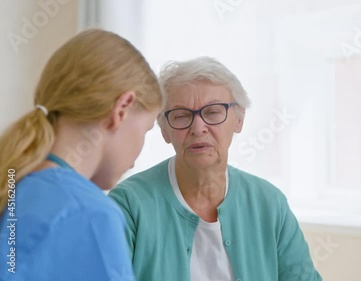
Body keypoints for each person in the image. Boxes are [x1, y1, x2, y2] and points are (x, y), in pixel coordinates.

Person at [108, 56, 322, 281]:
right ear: (164, 130)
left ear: (239, 120)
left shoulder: (270, 204)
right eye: (181, 116)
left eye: (213, 112)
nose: (198, 128)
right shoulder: (128, 205)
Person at [0, 29, 165, 281]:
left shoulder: (11, 182)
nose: (136, 157)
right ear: (122, 109)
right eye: (146, 129)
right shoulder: (90, 215)